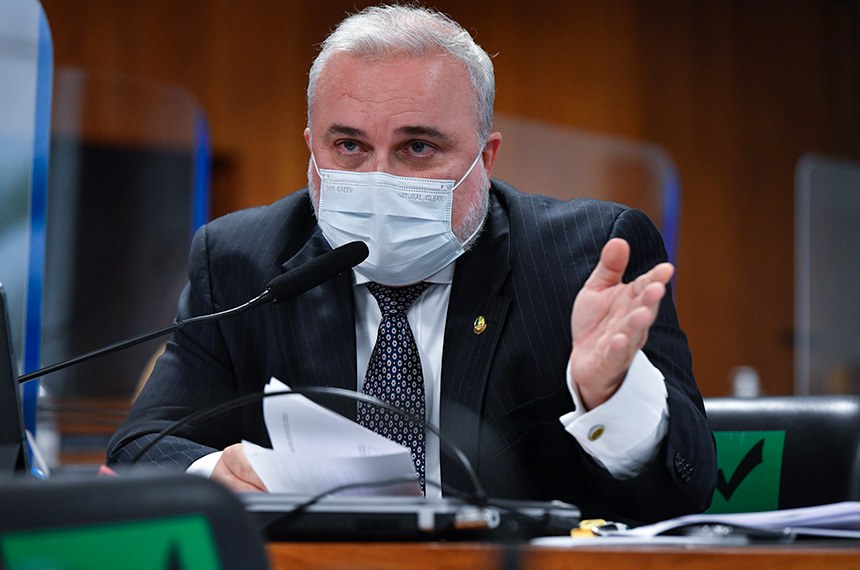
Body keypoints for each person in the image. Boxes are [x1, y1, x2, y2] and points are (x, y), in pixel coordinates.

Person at [108, 4, 716, 524]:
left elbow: (687, 490)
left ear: (485, 158)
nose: (379, 178)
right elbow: (142, 444)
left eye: (417, 147)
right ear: (312, 150)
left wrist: (610, 397)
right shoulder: (242, 261)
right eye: (349, 146)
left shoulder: (586, 259)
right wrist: (216, 473)